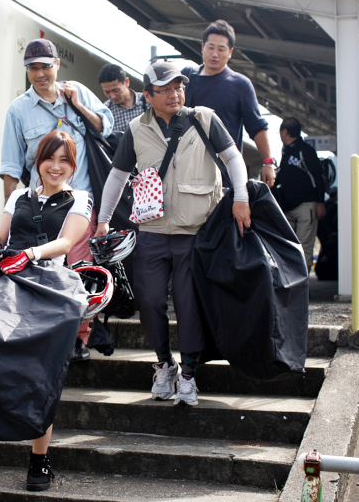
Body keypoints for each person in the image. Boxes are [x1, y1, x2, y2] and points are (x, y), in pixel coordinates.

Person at [95, 61, 251, 407]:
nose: (174, 94)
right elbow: (118, 177)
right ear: (147, 95)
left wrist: (240, 196)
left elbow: (233, 158)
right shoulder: (136, 128)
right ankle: (165, 364)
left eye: (178, 87)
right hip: (151, 231)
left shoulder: (204, 119)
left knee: (188, 304)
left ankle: (190, 375)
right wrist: (103, 220)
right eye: (164, 89)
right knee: (148, 303)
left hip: (195, 232)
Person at [0, 130, 92, 502]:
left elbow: (65, 243)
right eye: (50, 158)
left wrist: (29, 254)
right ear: (38, 161)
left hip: (50, 289)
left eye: (65, 160)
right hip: (4, 284)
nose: (56, 166)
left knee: (40, 376)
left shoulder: (81, 200)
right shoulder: (17, 195)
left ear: (73, 166)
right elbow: (0, 236)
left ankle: (39, 460)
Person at [0, 38, 113, 360]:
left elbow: (106, 126)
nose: (39, 74)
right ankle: (47, 336)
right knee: (43, 273)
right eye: (33, 68)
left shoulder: (75, 91)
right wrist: (11, 220)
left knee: (79, 269)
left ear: (57, 66)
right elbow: (10, 167)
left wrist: (78, 105)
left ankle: (79, 338)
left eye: (45, 67)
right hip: (40, 209)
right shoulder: (18, 109)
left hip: (80, 205)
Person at [181, 19, 277, 187]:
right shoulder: (186, 76)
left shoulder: (240, 84)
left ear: (230, 52)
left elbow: (256, 127)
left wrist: (268, 162)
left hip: (223, 174)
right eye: (210, 47)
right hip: (185, 170)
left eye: (221, 49)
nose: (214, 54)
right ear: (202, 47)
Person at [273, 117, 326, 271]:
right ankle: (292, 282)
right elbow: (281, 177)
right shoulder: (286, 151)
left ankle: (303, 287)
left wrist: (321, 203)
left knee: (304, 247)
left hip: (306, 205)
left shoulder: (306, 151)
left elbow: (318, 177)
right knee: (287, 245)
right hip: (287, 206)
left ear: (285, 132)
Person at [98, 63, 148, 133]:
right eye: (107, 92)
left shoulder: (147, 101)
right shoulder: (105, 111)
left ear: (127, 82)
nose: (112, 96)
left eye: (116, 90)